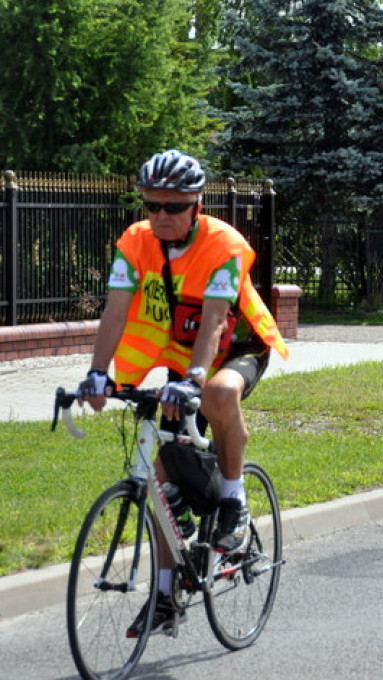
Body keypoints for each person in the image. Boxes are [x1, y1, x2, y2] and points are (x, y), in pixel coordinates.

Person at [78, 149, 290, 636]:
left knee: (218, 393)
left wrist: (193, 378)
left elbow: (216, 320)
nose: (161, 217)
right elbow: (115, 310)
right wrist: (96, 372)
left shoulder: (224, 244)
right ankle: (166, 595)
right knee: (157, 463)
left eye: (173, 208)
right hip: (181, 356)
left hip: (236, 347)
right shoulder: (135, 241)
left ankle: (234, 498)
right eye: (152, 206)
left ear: (197, 205)